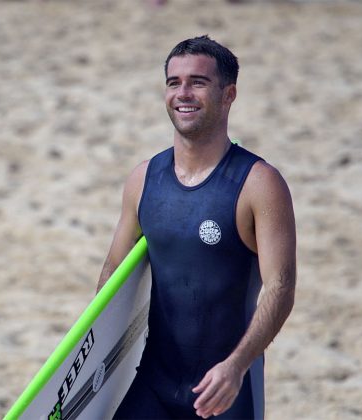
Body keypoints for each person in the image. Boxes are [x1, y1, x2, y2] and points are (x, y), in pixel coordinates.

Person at [96, 35, 297, 419]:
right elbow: (113, 273)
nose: (183, 93)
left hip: (227, 391)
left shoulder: (258, 183)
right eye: (174, 83)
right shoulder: (144, 179)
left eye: (198, 82)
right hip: (152, 386)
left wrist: (236, 366)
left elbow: (281, 286)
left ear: (229, 95)